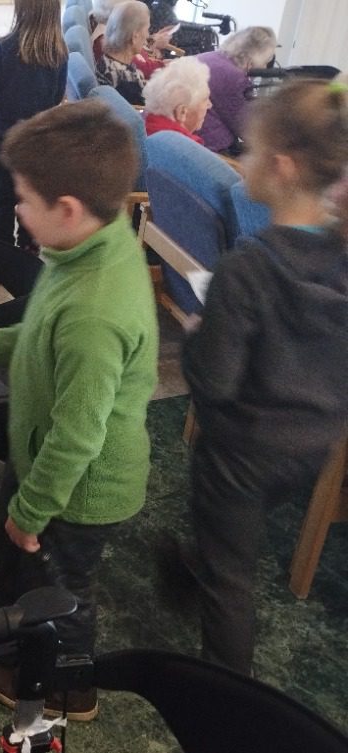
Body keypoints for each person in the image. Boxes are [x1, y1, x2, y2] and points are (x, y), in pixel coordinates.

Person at [0, 99, 158, 721]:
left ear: (66, 209)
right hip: (42, 458)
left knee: (61, 589)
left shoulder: (96, 310)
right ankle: (6, 631)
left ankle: (66, 687)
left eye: (22, 199)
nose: (16, 208)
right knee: (17, 553)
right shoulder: (82, 253)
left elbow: (78, 435)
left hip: (78, 488)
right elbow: (36, 335)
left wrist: (35, 509)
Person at [180, 79, 348, 676]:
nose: (243, 159)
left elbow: (215, 382)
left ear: (280, 166)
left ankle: (229, 697)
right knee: (230, 535)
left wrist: (198, 335)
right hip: (314, 444)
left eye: (250, 150)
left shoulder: (246, 268)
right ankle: (192, 564)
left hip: (240, 452)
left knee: (230, 582)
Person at [0, 0, 67, 250]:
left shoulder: (3, 48)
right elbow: (57, 97)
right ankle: (28, 252)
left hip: (3, 139)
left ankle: (1, 257)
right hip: (39, 142)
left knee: (1, 200)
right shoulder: (59, 52)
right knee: (33, 200)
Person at [195, 26, 277, 154]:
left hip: (187, 136)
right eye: (265, 61)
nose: (265, 67)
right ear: (256, 58)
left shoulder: (208, 57)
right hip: (209, 147)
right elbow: (246, 128)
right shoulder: (235, 78)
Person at [142, 56, 212, 142]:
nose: (209, 105)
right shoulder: (185, 146)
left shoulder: (141, 127)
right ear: (181, 112)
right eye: (205, 100)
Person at [94, 0, 149, 106]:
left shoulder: (106, 60)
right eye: (147, 30)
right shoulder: (126, 80)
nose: (147, 35)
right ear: (135, 36)